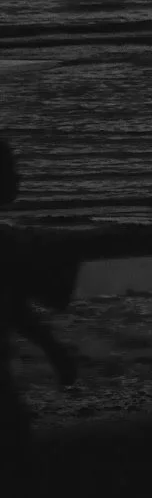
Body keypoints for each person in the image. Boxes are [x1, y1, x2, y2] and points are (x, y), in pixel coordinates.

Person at [1, 138, 78, 466]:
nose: (19, 178)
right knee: (16, 443)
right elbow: (51, 298)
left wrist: (52, 348)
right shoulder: (5, 244)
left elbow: (14, 305)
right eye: (10, 170)